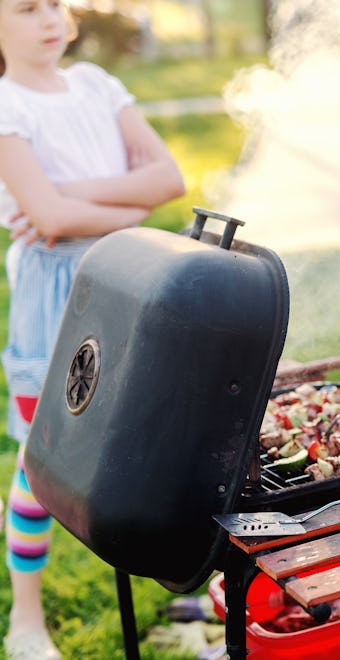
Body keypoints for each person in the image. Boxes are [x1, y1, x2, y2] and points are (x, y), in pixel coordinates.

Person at [0, 1, 186, 658]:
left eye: (54, 2)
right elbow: (47, 219)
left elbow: (170, 178)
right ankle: (25, 621)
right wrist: (131, 207)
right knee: (42, 460)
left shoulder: (98, 87)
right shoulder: (6, 106)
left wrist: (76, 196)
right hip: (54, 298)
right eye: (26, 8)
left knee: (146, 440)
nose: (49, 18)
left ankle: (174, 588)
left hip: (131, 279)